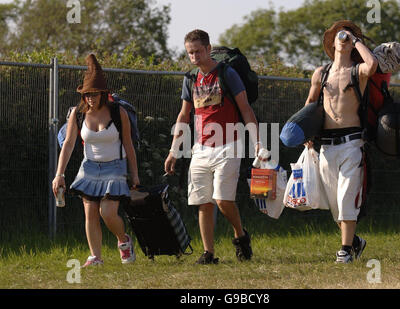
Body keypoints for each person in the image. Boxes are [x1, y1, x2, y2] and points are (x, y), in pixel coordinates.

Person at [164, 29, 262, 264]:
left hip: (230, 144)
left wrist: (258, 141)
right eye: (190, 53)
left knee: (222, 200)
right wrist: (173, 151)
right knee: (203, 201)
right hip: (201, 148)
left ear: (208, 49)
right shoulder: (190, 79)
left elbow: (246, 108)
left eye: (198, 51)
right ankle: (209, 253)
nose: (194, 56)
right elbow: (183, 116)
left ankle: (240, 235)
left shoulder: (227, 74)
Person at [52, 54, 140, 267]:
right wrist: (59, 174)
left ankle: (123, 241)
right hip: (89, 167)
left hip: (115, 167)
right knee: (90, 213)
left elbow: (129, 144)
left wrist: (135, 175)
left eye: (94, 94)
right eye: (86, 94)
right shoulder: (78, 114)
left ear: (103, 93)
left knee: (108, 213)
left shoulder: (118, 113)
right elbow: (69, 144)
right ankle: (96, 257)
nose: (90, 98)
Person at [304, 20, 378, 263]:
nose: (343, 39)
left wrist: (357, 41)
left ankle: (345, 251)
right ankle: (355, 241)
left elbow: (373, 64)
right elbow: (310, 103)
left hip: (352, 143)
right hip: (326, 145)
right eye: (339, 35)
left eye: (347, 37)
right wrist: (305, 132)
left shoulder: (358, 72)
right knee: (335, 203)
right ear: (332, 42)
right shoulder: (320, 73)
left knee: (347, 198)